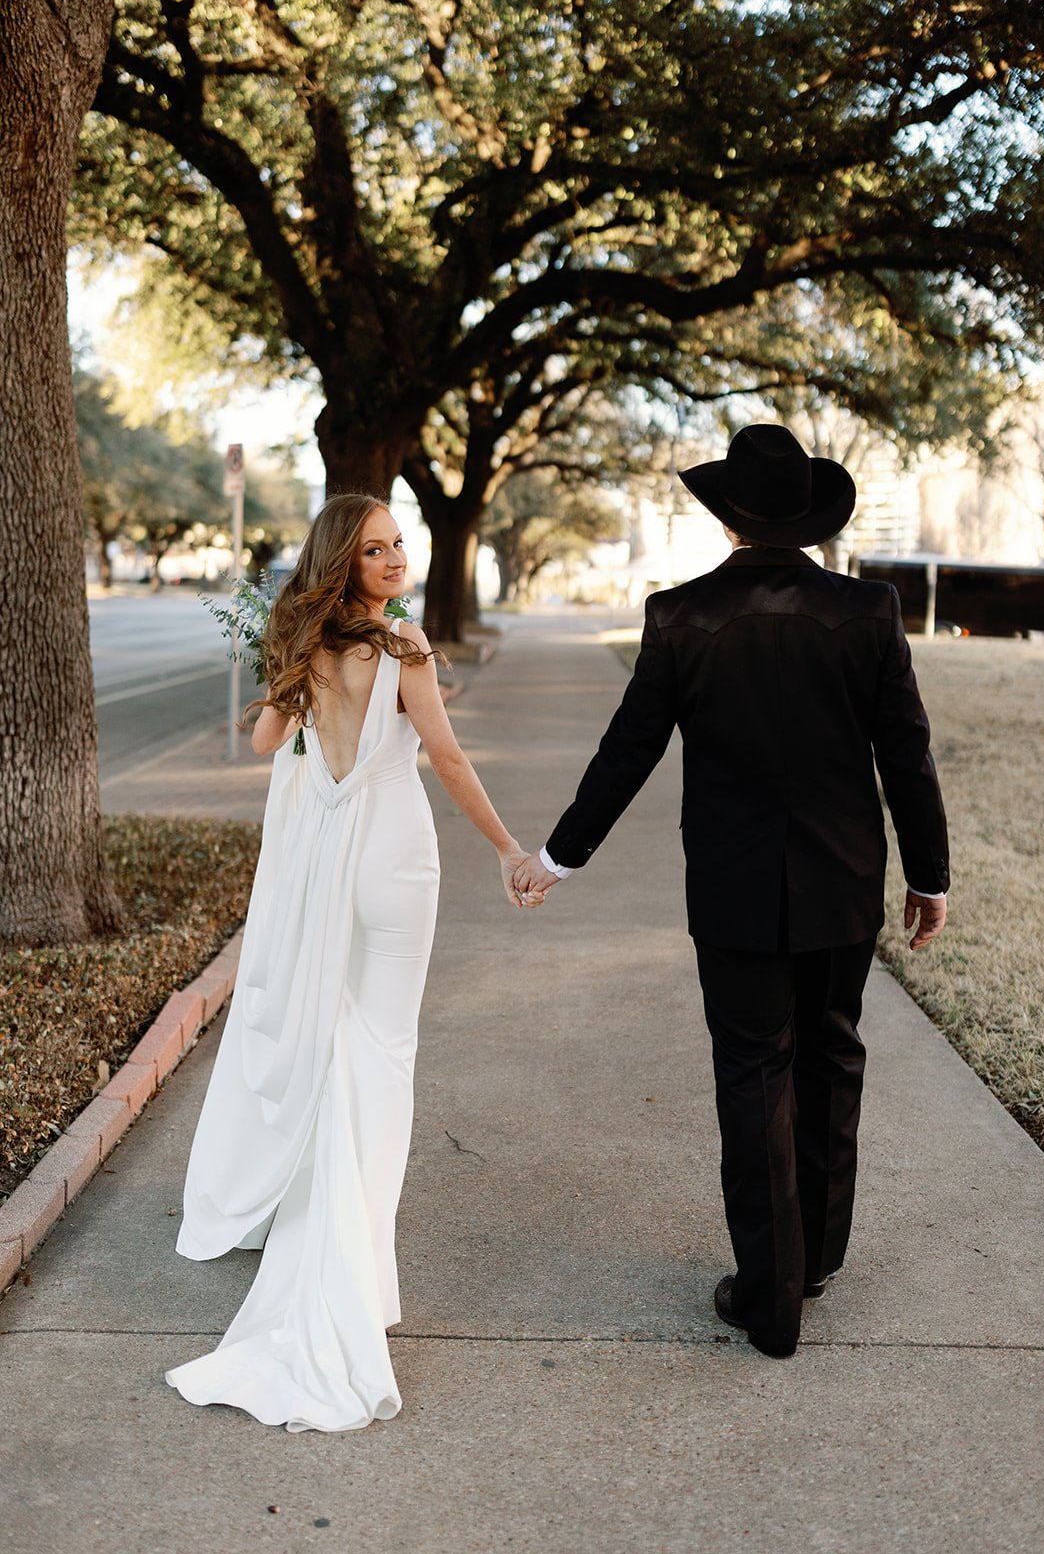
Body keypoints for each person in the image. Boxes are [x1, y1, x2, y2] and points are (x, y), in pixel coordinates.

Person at [514, 423, 949, 1359]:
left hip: (733, 888)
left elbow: (629, 749)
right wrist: (930, 874)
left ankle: (769, 1292)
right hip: (842, 882)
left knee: (752, 1072)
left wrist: (558, 857)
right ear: (807, 520)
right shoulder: (868, 609)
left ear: (727, 521)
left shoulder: (680, 616)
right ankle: (818, 1257)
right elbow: (903, 755)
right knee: (832, 1057)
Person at [166, 492, 534, 1431]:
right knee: (383, 1057)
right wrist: (505, 848)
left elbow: (261, 744)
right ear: (345, 563)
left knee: (345, 1050)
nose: (396, 559)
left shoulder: (306, 652)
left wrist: (284, 667)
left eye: (398, 545)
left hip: (328, 864)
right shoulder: (405, 650)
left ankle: (343, 1252)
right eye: (375, 551)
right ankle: (353, 1269)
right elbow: (446, 762)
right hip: (394, 865)